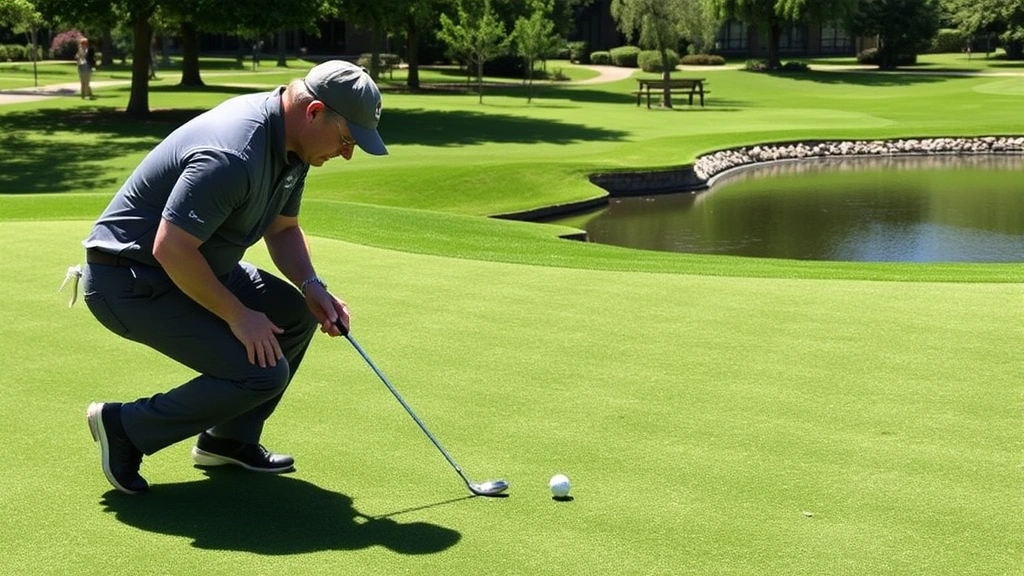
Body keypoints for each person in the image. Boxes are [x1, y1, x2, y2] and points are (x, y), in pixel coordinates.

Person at [82, 60, 388, 495]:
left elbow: (283, 228)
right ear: (315, 111)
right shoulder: (233, 155)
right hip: (129, 280)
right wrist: (238, 315)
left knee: (293, 315)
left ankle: (227, 441)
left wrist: (311, 285)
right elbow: (171, 248)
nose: (347, 153)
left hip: (195, 268)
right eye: (346, 139)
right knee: (262, 374)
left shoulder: (295, 146)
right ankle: (124, 426)